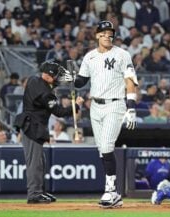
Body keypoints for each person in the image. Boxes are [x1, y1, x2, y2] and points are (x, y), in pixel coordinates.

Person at [65, 20, 138, 208]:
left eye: (110, 33)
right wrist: (70, 77)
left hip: (115, 105)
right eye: (103, 33)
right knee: (102, 150)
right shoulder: (89, 57)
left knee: (106, 146)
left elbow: (130, 81)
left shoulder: (122, 54)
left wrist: (131, 107)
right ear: (97, 35)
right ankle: (115, 195)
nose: (107, 35)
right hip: (95, 107)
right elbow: (81, 81)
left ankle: (110, 191)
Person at [14, 61, 84, 204]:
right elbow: (59, 112)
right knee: (35, 163)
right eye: (56, 75)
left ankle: (40, 191)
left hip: (33, 126)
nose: (58, 78)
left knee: (40, 161)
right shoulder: (44, 92)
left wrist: (65, 81)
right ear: (47, 75)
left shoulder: (34, 80)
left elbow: (53, 85)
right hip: (32, 127)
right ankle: (34, 194)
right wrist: (75, 105)